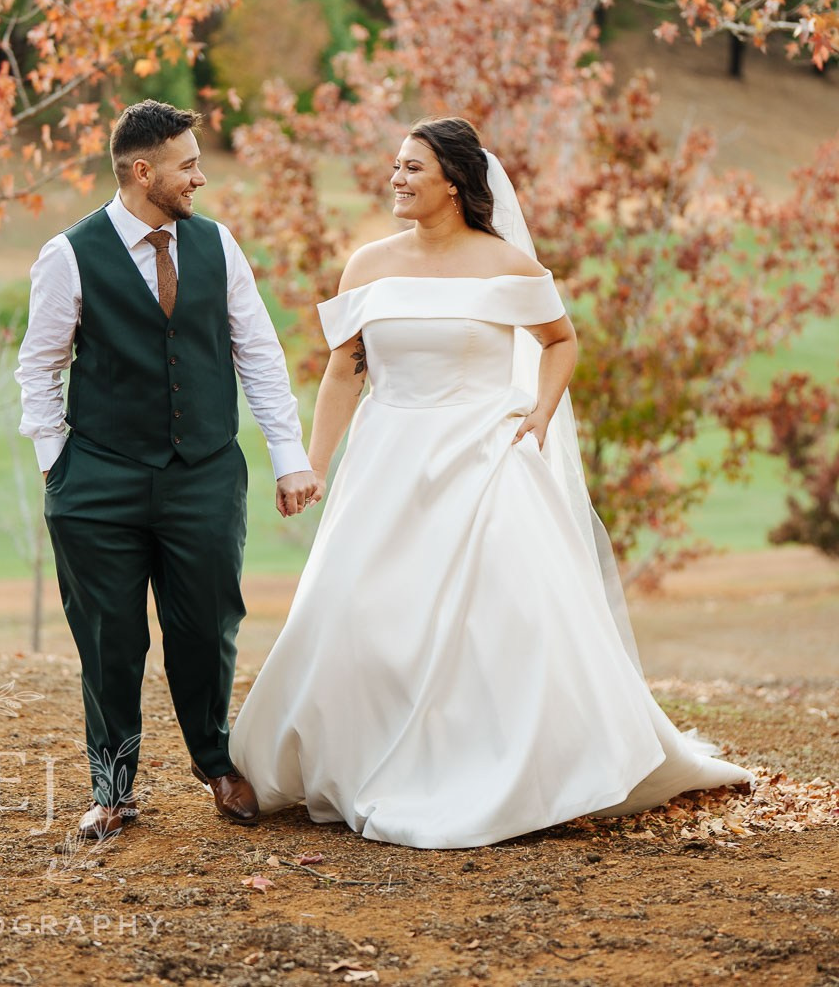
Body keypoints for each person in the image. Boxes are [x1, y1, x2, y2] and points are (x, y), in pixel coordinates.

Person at [229, 116, 752, 849]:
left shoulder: (506, 266)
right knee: (357, 607)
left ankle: (512, 766)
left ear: (454, 182)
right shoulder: (366, 266)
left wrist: (539, 411)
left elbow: (560, 341)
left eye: (414, 168)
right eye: (396, 166)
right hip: (388, 459)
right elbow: (346, 368)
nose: (397, 179)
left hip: (483, 455)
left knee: (507, 618)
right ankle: (349, 754)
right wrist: (314, 462)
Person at [16, 100, 320, 839]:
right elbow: (40, 369)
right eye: (188, 165)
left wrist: (288, 460)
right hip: (98, 483)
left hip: (205, 475)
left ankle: (216, 763)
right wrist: (59, 468)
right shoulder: (69, 254)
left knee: (208, 626)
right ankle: (113, 791)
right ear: (143, 171)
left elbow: (259, 354)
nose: (201, 178)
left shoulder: (218, 245)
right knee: (109, 640)